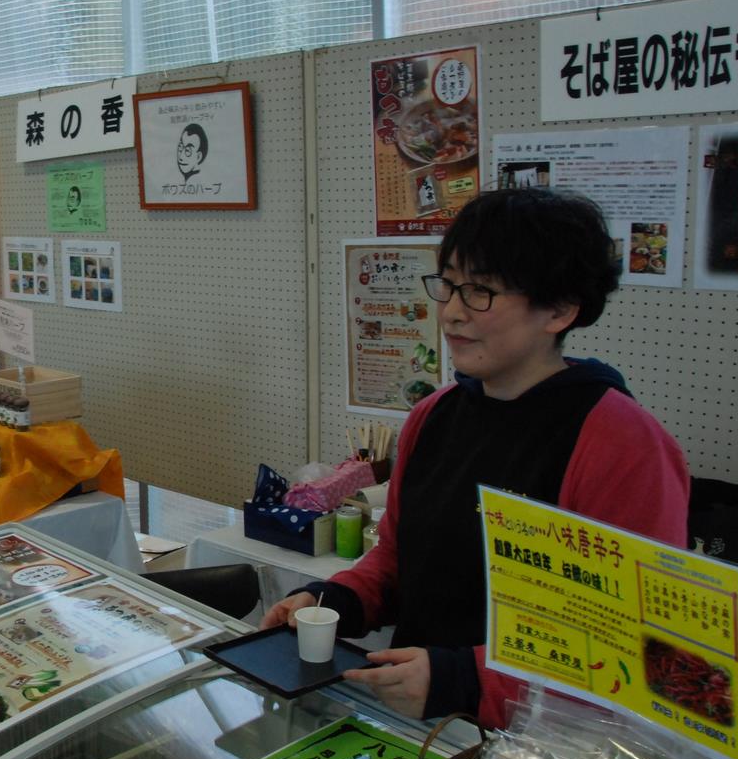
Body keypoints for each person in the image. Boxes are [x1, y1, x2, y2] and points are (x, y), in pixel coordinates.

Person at [263, 187, 688, 729]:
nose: (452, 314)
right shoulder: (434, 415)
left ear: (559, 309)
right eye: (450, 285)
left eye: (481, 291)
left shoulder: (624, 444)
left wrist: (465, 677)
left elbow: (633, 642)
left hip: (540, 750)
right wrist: (334, 600)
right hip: (418, 731)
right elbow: (398, 560)